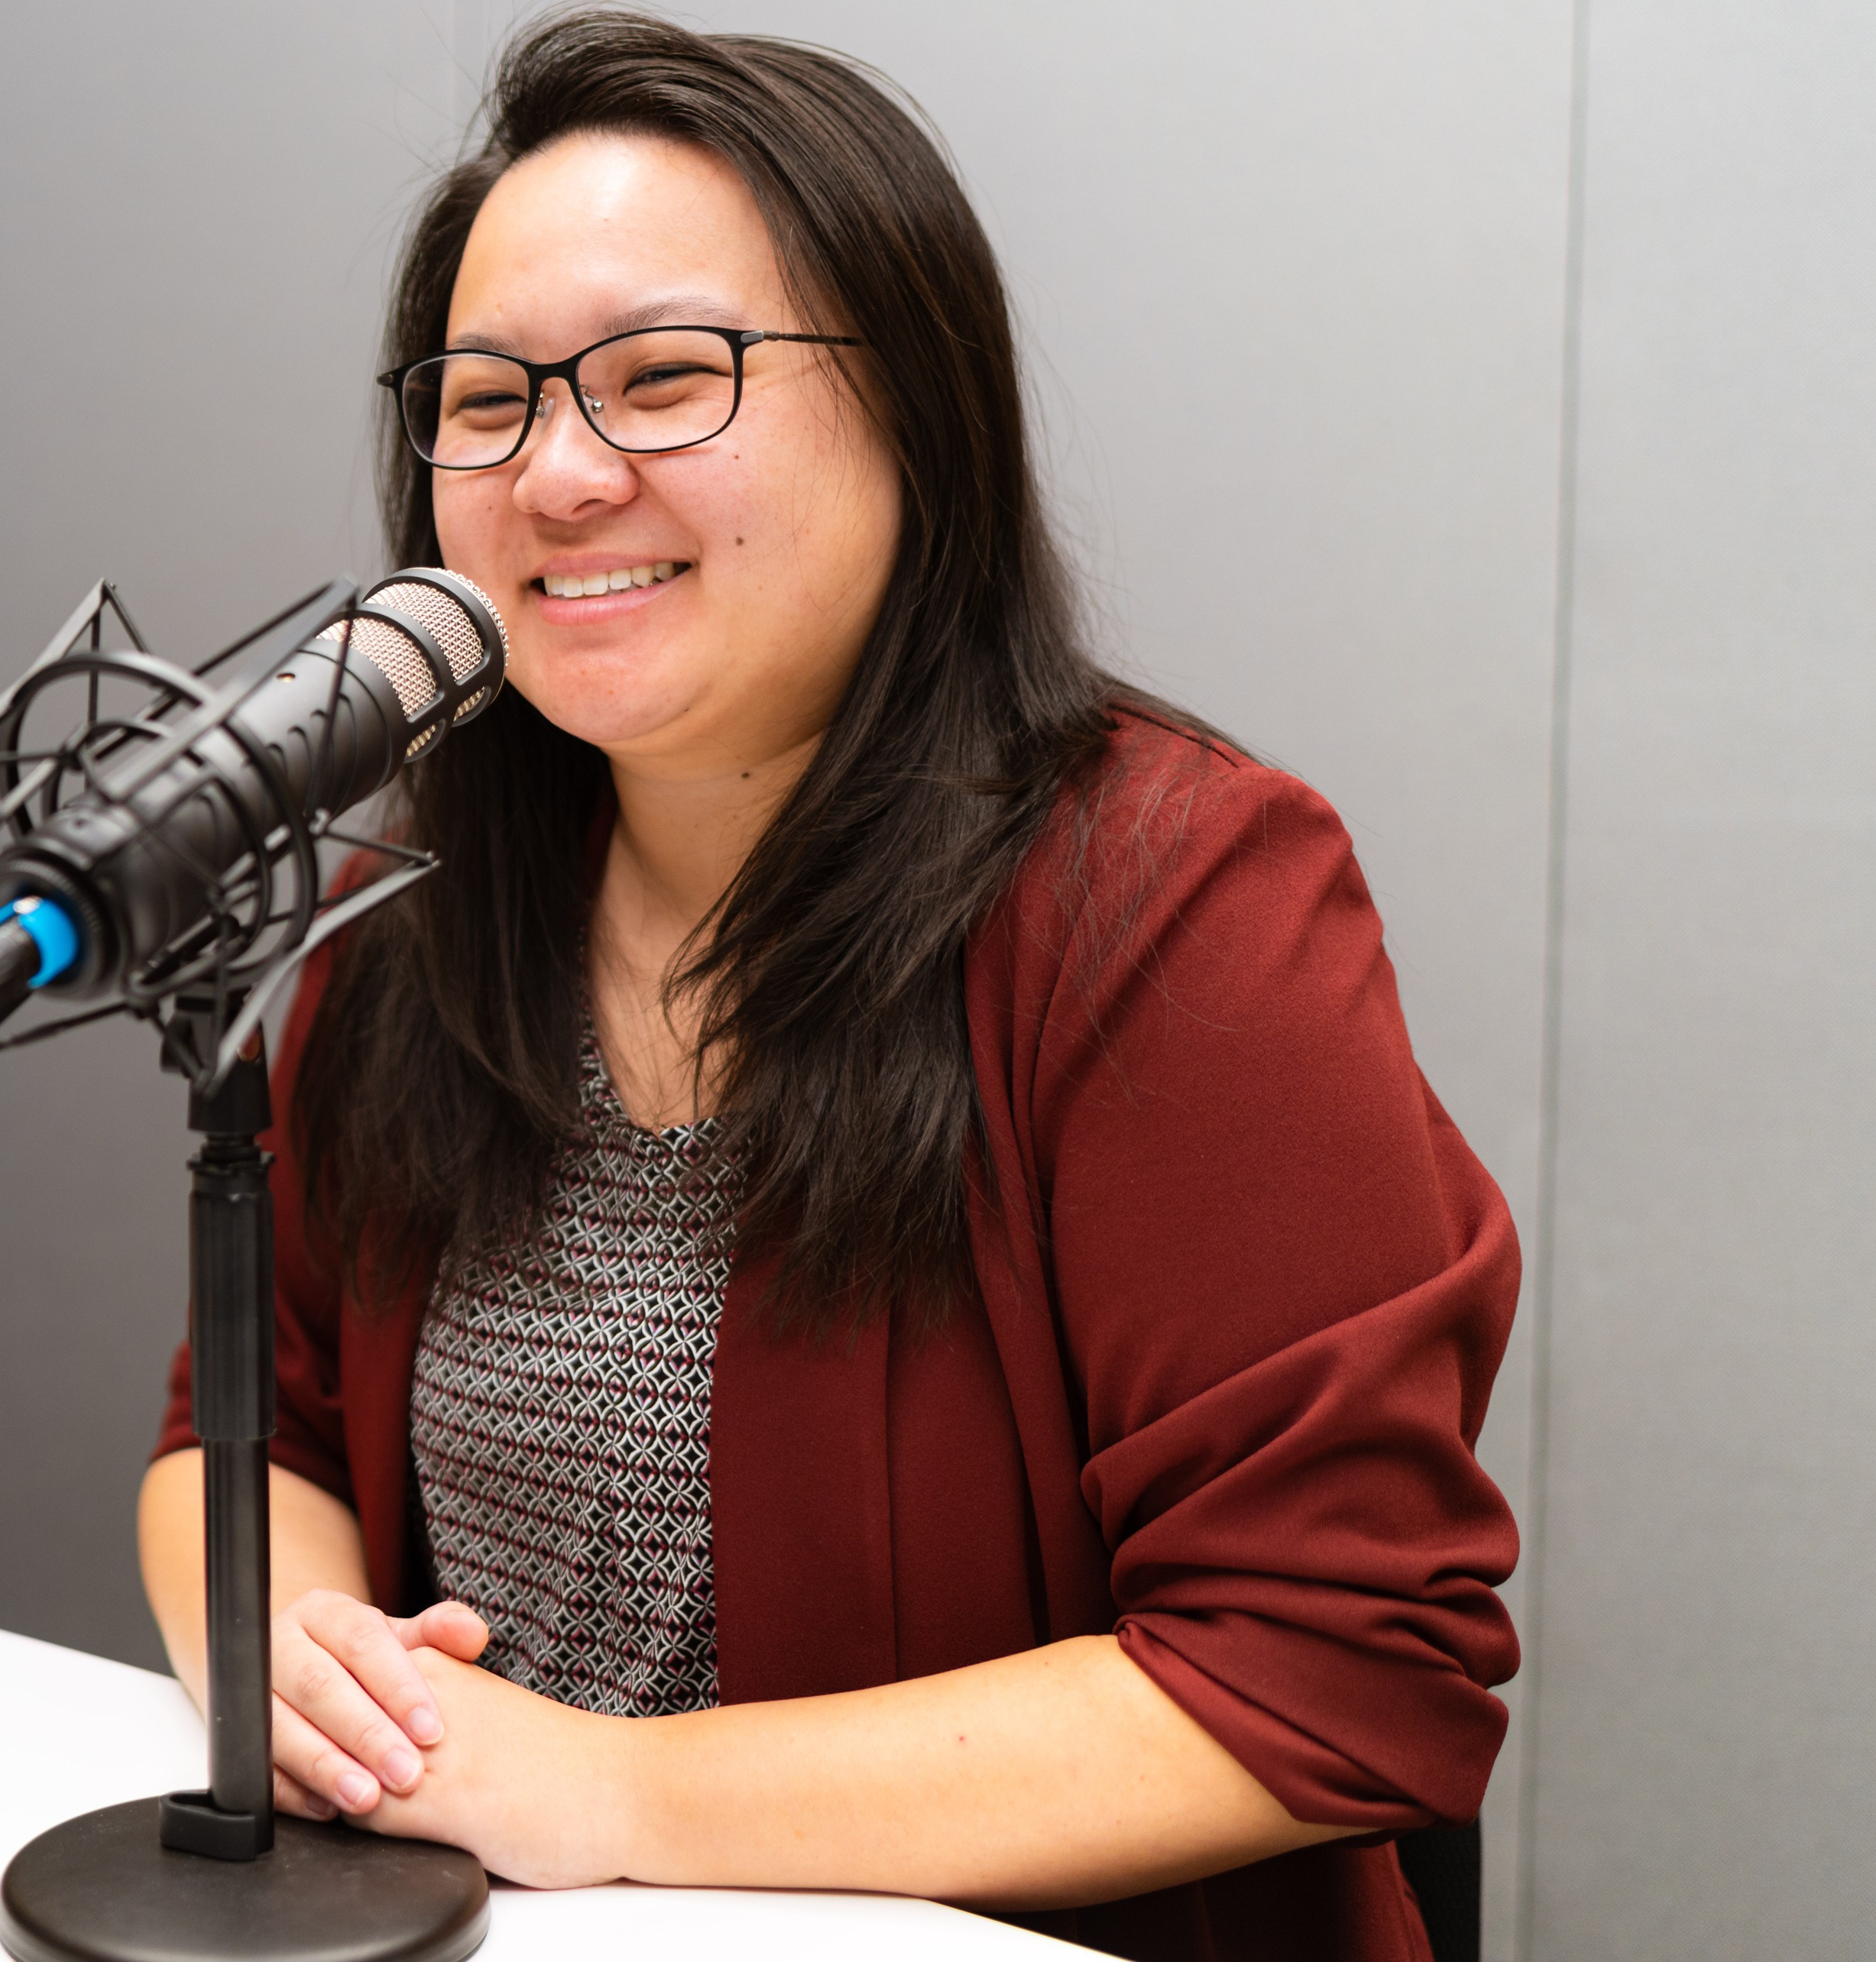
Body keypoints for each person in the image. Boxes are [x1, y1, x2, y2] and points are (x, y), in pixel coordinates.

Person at [135, 17, 1518, 1960]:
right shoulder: (401, 922)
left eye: (664, 378)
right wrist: (291, 1664)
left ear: (917, 414)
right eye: (480, 401)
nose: (554, 472)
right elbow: (244, 1439)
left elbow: (1331, 1666)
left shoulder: (1178, 905)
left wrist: (608, 1794)